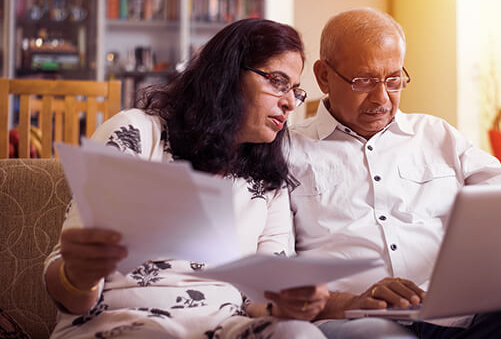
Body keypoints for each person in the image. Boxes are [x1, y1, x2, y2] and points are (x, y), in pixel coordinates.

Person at [287, 8, 501, 338]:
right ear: (323, 76)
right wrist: (349, 300)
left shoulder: (438, 135)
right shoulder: (288, 151)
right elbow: (273, 267)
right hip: (356, 319)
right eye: (363, 81)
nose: (381, 98)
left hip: (463, 315)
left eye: (394, 80)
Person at [44, 18, 329, 339]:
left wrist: (287, 303)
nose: (290, 102)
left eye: (295, 90)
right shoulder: (137, 132)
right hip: (120, 321)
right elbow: (67, 291)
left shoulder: (269, 176)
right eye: (277, 82)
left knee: (300, 334)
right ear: (228, 74)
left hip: (224, 326)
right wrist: (78, 276)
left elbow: (259, 297)